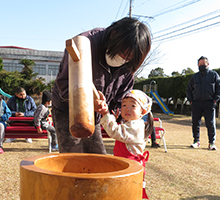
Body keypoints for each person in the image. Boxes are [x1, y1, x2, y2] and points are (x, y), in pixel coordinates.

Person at [51, 17, 152, 154]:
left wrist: (108, 112)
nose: (123, 59)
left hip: (96, 115)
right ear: (113, 35)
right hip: (66, 109)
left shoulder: (129, 65)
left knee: (97, 155)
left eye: (128, 58)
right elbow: (64, 84)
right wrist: (87, 102)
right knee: (72, 158)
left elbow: (119, 102)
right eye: (122, 53)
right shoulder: (85, 45)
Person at [97, 89, 153, 199]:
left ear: (143, 111)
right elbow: (122, 129)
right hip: (125, 164)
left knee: (127, 192)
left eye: (133, 106)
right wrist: (115, 119)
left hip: (130, 166)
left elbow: (115, 131)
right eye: (123, 105)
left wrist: (106, 114)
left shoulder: (136, 127)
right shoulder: (132, 123)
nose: (127, 108)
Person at [186, 56, 220, 150]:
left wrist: (215, 99)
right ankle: (196, 141)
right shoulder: (194, 77)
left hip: (209, 103)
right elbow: (188, 90)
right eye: (200, 64)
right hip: (196, 103)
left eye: (204, 63)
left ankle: (211, 143)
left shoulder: (214, 75)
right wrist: (191, 101)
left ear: (208, 64)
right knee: (195, 123)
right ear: (198, 65)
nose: (202, 65)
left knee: (210, 124)